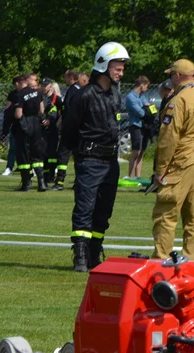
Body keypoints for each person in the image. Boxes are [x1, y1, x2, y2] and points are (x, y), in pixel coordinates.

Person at [62, 42, 130, 271]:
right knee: (84, 208)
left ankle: (94, 252)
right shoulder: (84, 96)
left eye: (122, 68)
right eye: (117, 67)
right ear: (103, 65)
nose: (121, 72)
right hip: (89, 160)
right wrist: (79, 153)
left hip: (111, 162)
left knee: (104, 211)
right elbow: (69, 129)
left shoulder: (115, 95)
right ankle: (80, 255)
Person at [150, 59, 194, 260]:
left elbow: (168, 139)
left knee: (166, 211)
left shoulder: (177, 101)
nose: (170, 78)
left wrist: (161, 170)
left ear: (178, 76)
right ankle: (192, 260)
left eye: (171, 75)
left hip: (182, 158)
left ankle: (161, 258)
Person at [12, 73, 46, 192]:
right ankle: (42, 182)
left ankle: (26, 184)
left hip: (25, 125)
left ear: (22, 82)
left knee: (23, 155)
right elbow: (42, 110)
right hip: (36, 124)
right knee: (37, 153)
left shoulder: (20, 94)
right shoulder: (38, 93)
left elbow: (18, 114)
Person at [53, 69, 84, 190]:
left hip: (70, 130)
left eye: (66, 78)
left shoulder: (72, 91)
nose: (65, 80)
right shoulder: (80, 90)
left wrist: (63, 124)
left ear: (71, 77)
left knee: (62, 155)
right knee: (78, 156)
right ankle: (78, 182)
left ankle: (59, 182)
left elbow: (69, 111)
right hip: (79, 130)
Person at [125, 75, 151, 178]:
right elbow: (141, 112)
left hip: (144, 126)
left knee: (142, 152)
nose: (147, 88)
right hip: (135, 126)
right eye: (146, 86)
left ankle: (138, 176)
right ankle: (130, 176)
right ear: (141, 85)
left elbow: (150, 108)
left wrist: (147, 109)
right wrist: (146, 109)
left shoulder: (142, 96)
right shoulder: (130, 97)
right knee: (136, 151)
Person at [1, 75, 26, 176]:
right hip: (15, 125)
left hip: (25, 124)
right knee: (13, 148)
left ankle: (28, 167)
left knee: (26, 148)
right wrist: (6, 124)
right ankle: (9, 167)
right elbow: (7, 109)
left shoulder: (27, 93)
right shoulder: (12, 94)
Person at [41, 79, 62, 186]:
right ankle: (44, 176)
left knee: (52, 154)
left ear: (50, 86)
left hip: (53, 129)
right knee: (43, 153)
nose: (44, 87)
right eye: (42, 85)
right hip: (42, 129)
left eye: (46, 85)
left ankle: (51, 174)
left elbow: (62, 112)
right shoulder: (40, 97)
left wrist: (56, 124)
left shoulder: (56, 98)